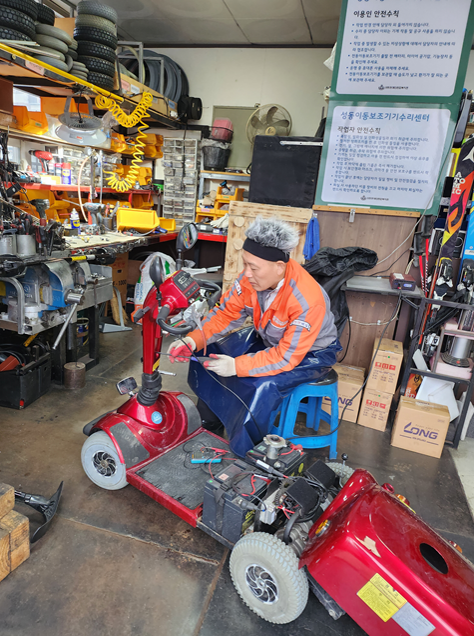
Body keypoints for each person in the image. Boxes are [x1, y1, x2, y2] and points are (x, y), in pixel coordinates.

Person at [168, 216, 341, 457]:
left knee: (262, 385)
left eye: (253, 267)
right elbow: (224, 316)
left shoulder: (306, 300)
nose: (246, 273)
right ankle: (210, 425)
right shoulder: (249, 280)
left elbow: (285, 358)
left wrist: (237, 366)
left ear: (279, 266)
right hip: (270, 338)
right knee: (208, 352)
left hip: (312, 354)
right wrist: (192, 340)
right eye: (245, 264)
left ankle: (246, 455)